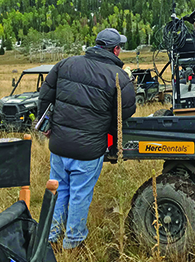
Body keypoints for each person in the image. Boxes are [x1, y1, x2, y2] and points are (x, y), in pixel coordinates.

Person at [39, 27, 136, 250]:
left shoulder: (66, 64)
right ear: (116, 50)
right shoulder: (119, 76)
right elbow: (126, 112)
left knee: (59, 189)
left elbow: (45, 95)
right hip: (89, 149)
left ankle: (52, 237)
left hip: (59, 144)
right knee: (80, 194)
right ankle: (73, 242)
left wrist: (46, 125)